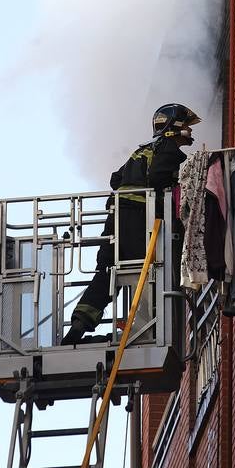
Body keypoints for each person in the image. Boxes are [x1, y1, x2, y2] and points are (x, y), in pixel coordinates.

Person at [61, 103, 200, 345]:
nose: (189, 131)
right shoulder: (167, 149)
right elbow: (158, 177)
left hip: (115, 221)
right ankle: (149, 329)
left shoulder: (141, 151)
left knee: (107, 272)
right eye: (186, 126)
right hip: (138, 221)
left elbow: (116, 178)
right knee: (149, 272)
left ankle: (79, 324)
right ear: (175, 125)